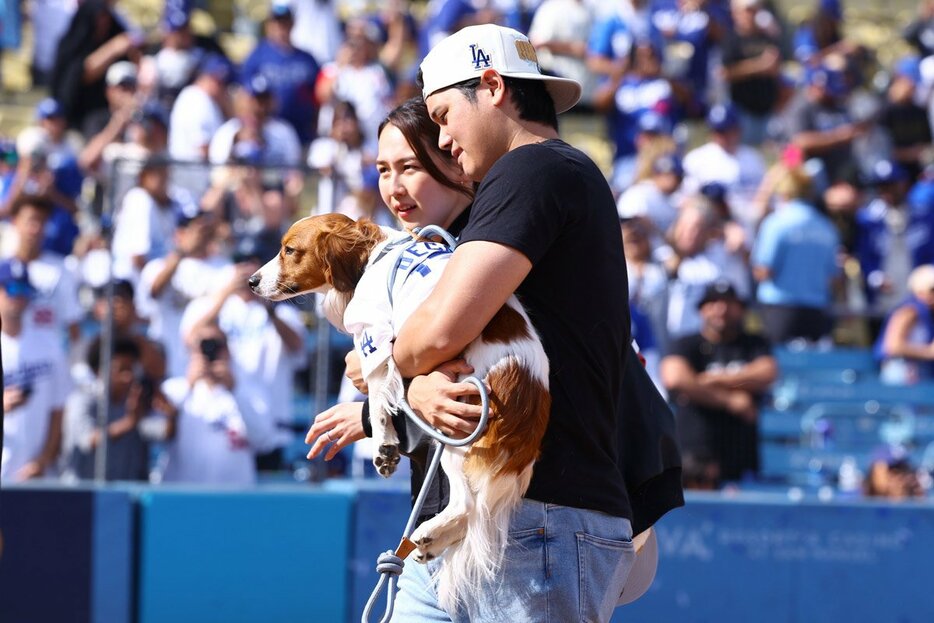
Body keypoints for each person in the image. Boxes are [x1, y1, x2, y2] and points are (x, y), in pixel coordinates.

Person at [389, 24, 681, 622]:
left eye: (444, 115)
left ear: (492, 87)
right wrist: (414, 381)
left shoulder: (535, 170)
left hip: (537, 518)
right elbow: (445, 348)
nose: (440, 140)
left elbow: (438, 332)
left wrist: (395, 362)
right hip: (475, 526)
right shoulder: (539, 177)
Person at [307, 95, 475, 522]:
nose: (393, 188)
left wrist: (386, 380)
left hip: (496, 520)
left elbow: (480, 397)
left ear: (454, 161)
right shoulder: (412, 249)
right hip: (438, 514)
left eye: (410, 167)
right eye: (383, 170)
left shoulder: (488, 246)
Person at [181, 235, 307, 473]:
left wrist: (266, 304)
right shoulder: (213, 306)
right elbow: (190, 338)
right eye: (240, 262)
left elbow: (298, 347)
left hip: (270, 425)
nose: (246, 268)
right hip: (223, 422)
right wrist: (225, 294)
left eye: (253, 262)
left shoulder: (283, 312)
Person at [660, 280, 777, 487]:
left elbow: (767, 372)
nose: (721, 309)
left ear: (741, 309)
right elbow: (675, 378)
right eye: (713, 303)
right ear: (701, 309)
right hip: (693, 454)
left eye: (729, 303)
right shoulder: (686, 343)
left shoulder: (754, 344)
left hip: (739, 455)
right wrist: (730, 400)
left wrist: (714, 379)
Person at [752, 164, 841, 344]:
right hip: (817, 309)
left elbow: (763, 270)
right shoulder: (827, 227)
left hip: (780, 308)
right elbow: (834, 276)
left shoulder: (776, 223)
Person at [0, 258, 70, 482]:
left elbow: (58, 410)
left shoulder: (49, 345)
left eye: (24, 289)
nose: (18, 297)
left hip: (37, 475)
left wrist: (44, 459)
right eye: (11, 288)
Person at [158, 323, 255, 485]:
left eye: (217, 345)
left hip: (236, 495)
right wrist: (189, 384)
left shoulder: (248, 391)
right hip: (185, 494)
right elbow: (159, 431)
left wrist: (234, 390)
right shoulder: (173, 389)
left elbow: (264, 438)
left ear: (228, 350)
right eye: (202, 345)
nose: (210, 351)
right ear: (191, 351)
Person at [64, 335, 169, 481]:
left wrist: (172, 415)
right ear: (99, 371)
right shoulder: (81, 400)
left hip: (125, 499)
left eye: (131, 369)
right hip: (84, 498)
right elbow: (88, 440)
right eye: (121, 369)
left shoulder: (136, 401)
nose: (127, 376)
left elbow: (162, 431)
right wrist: (129, 422)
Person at [1, 194, 82, 345]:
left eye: (42, 222)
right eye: (31, 221)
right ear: (15, 222)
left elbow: (73, 327)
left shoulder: (61, 270)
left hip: (47, 362)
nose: (36, 229)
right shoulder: (2, 267)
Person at [240, 0, 321, 145]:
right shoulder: (257, 56)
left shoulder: (307, 59)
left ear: (292, 24)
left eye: (285, 22)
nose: (281, 27)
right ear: (269, 25)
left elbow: (318, 99)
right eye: (277, 22)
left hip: (302, 134)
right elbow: (244, 96)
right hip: (269, 134)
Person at [875, 264, 934, 385]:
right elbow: (893, 346)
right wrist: (928, 352)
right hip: (902, 370)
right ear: (920, 290)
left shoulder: (926, 312)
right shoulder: (908, 311)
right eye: (932, 290)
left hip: (918, 371)